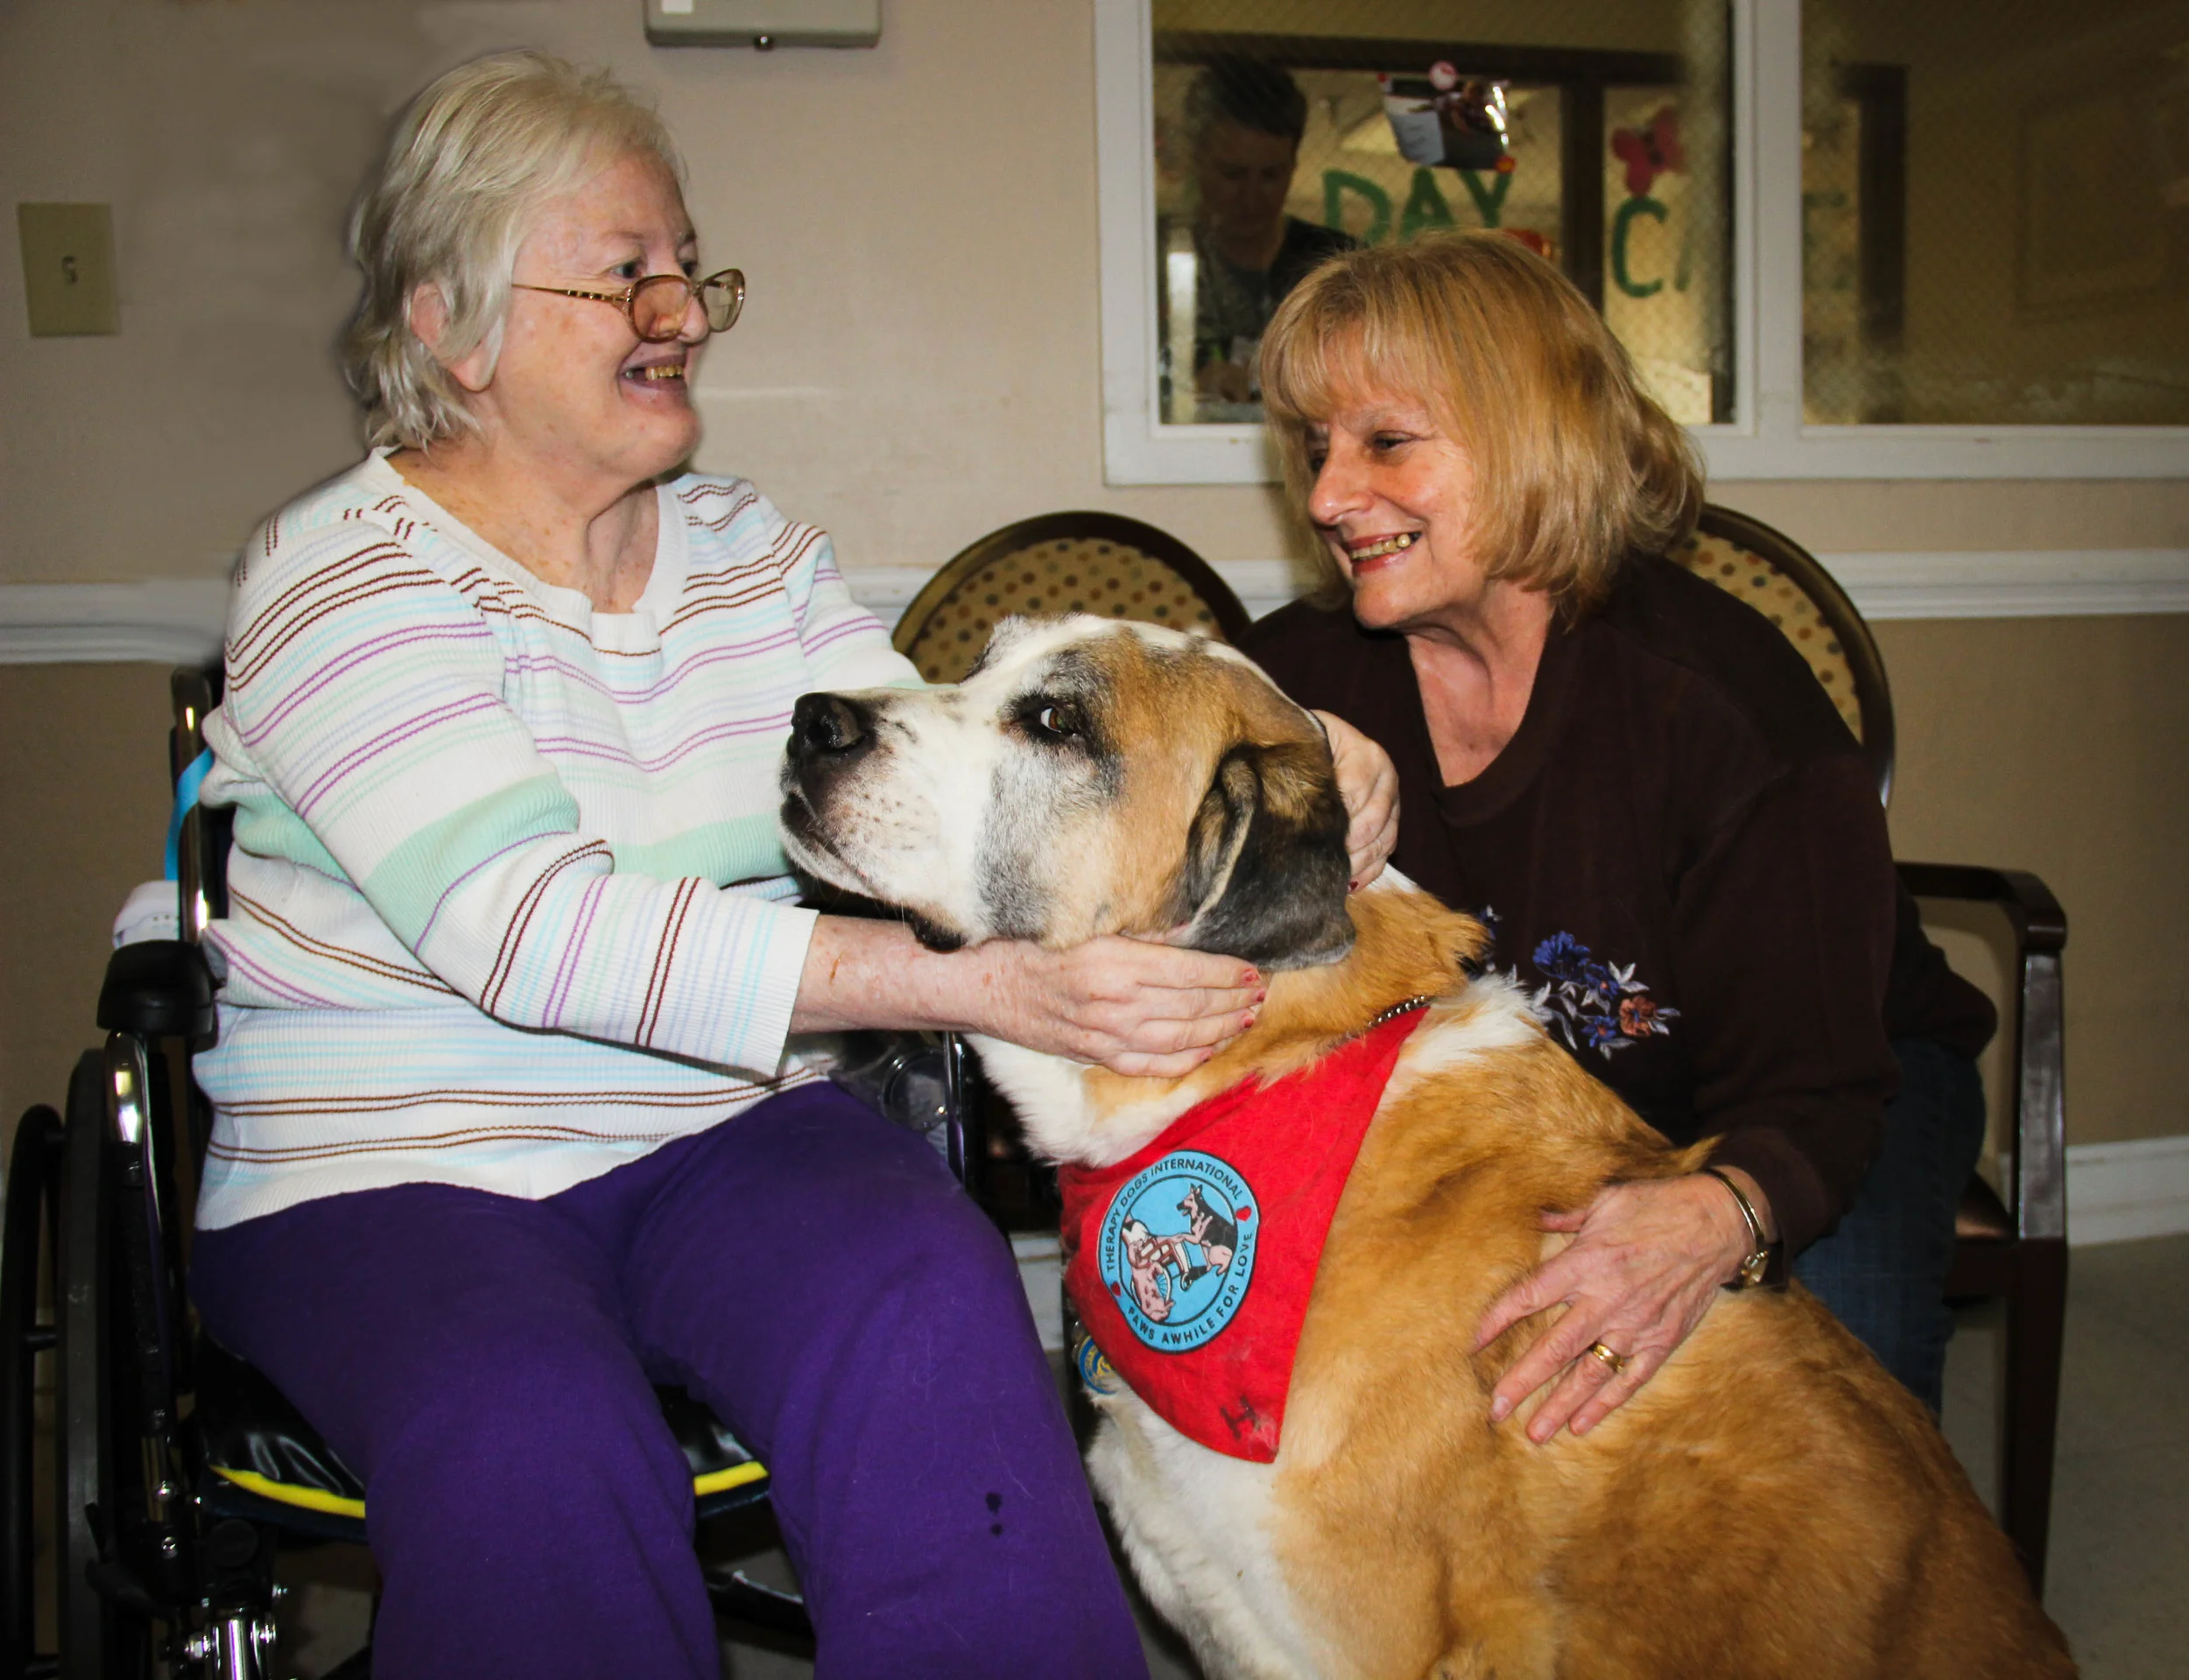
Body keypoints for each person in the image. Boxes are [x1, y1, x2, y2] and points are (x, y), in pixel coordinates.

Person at [186, 53, 1394, 1679]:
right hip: (391, 1171)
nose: (680, 306)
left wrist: (1296, 744)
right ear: (451, 325)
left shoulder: (746, 550)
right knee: (532, 1433)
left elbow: (932, 777)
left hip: (715, 1128)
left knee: (929, 1288)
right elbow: (529, 931)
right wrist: (971, 982)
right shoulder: (335, 580)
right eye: (626, 274)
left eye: (689, 265)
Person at [1238, 233, 1996, 1443]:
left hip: (1827, 1093)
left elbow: (1823, 1084)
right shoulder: (1298, 684)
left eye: (1386, 440)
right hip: (1527, 1109)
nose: (1329, 494)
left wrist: (1721, 1209)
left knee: (1825, 1434)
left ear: (1530, 430)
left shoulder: (1721, 707)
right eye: (1316, 448)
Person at [1168, 58, 1356, 411]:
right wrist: (1188, 387)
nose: (1252, 198)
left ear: (1294, 165)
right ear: (1197, 161)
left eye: (1271, 175)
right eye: (1233, 174)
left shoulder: (1338, 266)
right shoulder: (1156, 260)